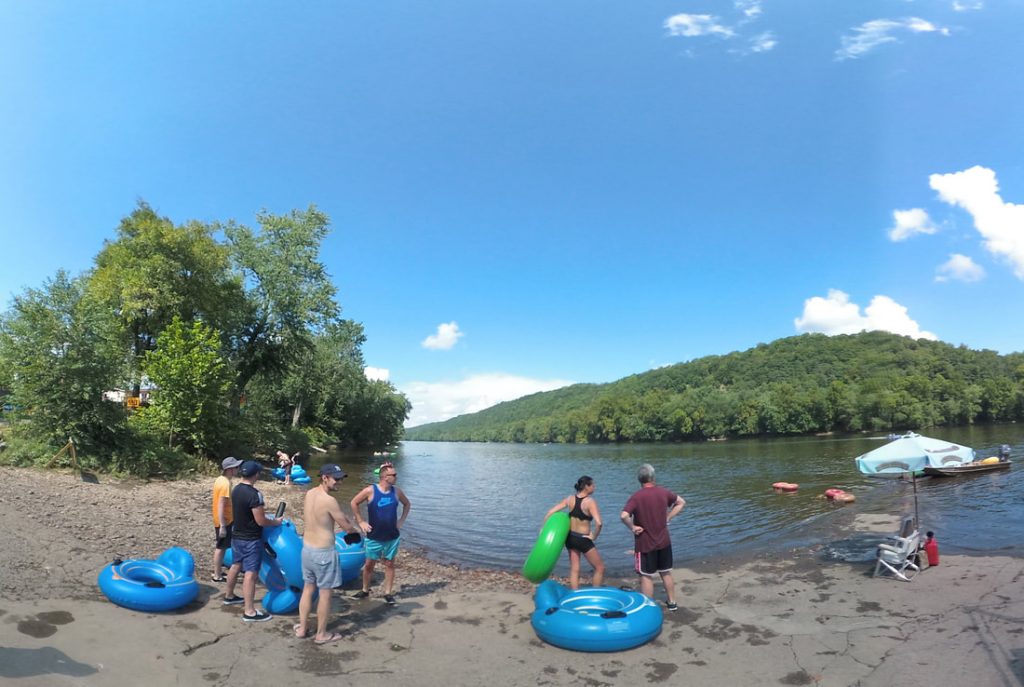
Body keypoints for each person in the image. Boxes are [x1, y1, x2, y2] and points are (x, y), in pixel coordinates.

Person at [295, 464, 360, 644]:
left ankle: (302, 628)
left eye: (341, 479)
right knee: (325, 593)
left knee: (308, 589)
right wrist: (356, 531)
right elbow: (345, 525)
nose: (340, 482)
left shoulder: (309, 494)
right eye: (336, 479)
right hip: (323, 553)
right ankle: (321, 634)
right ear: (325, 477)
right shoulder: (329, 501)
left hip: (307, 549)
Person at [620, 463, 686, 611]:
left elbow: (624, 515)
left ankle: (648, 607)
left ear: (640, 480)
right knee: (665, 572)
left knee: (646, 575)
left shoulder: (636, 497)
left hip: (645, 544)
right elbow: (681, 502)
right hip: (664, 542)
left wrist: (632, 527)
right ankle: (672, 602)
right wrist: (668, 517)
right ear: (653, 478)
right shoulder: (663, 492)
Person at [223, 460, 283, 622]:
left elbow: (246, 513)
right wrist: (276, 522)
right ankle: (249, 611)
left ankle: (228, 596)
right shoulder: (254, 494)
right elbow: (261, 521)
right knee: (251, 573)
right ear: (256, 474)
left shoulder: (236, 490)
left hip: (237, 536)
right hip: (250, 539)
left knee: (236, 565)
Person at [350, 462, 411, 605]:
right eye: (394, 475)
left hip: (392, 535)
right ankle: (365, 590)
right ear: (384, 477)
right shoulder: (370, 491)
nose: (396, 477)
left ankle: (388, 593)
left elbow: (407, 504)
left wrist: (401, 521)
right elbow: (354, 503)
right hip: (374, 536)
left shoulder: (397, 492)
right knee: (369, 564)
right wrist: (361, 521)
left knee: (390, 563)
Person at [543, 475, 605, 589]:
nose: (594, 487)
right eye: (593, 485)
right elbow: (599, 523)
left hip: (570, 538)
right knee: (600, 568)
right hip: (583, 539)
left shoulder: (569, 499)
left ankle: (574, 594)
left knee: (575, 569)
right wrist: (594, 535)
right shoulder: (590, 502)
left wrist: (543, 529)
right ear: (586, 486)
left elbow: (550, 512)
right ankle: (596, 594)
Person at [211, 456, 242, 582]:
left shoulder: (220, 479)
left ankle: (218, 572)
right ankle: (217, 575)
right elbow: (221, 504)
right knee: (220, 547)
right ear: (229, 469)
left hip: (222, 519)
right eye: (236, 467)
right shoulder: (225, 483)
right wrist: (223, 526)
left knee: (221, 547)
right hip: (224, 520)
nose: (238, 469)